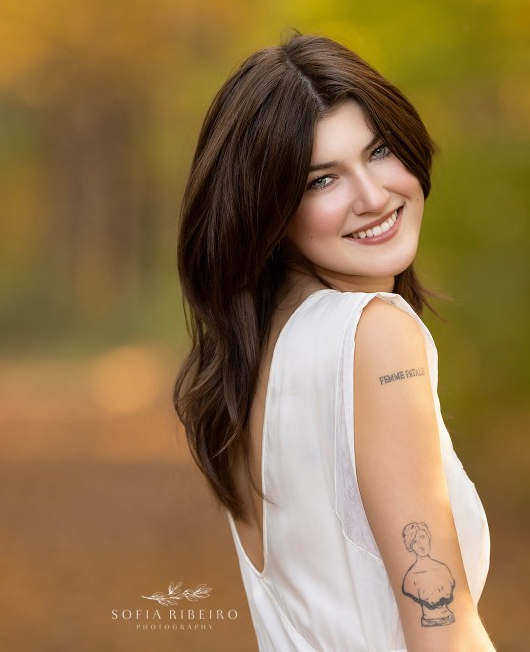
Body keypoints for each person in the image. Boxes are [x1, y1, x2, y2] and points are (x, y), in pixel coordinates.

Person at [174, 33, 494, 651]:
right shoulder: (375, 335)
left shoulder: (256, 358)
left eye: (378, 152)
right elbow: (443, 631)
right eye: (322, 180)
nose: (372, 197)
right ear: (268, 211)